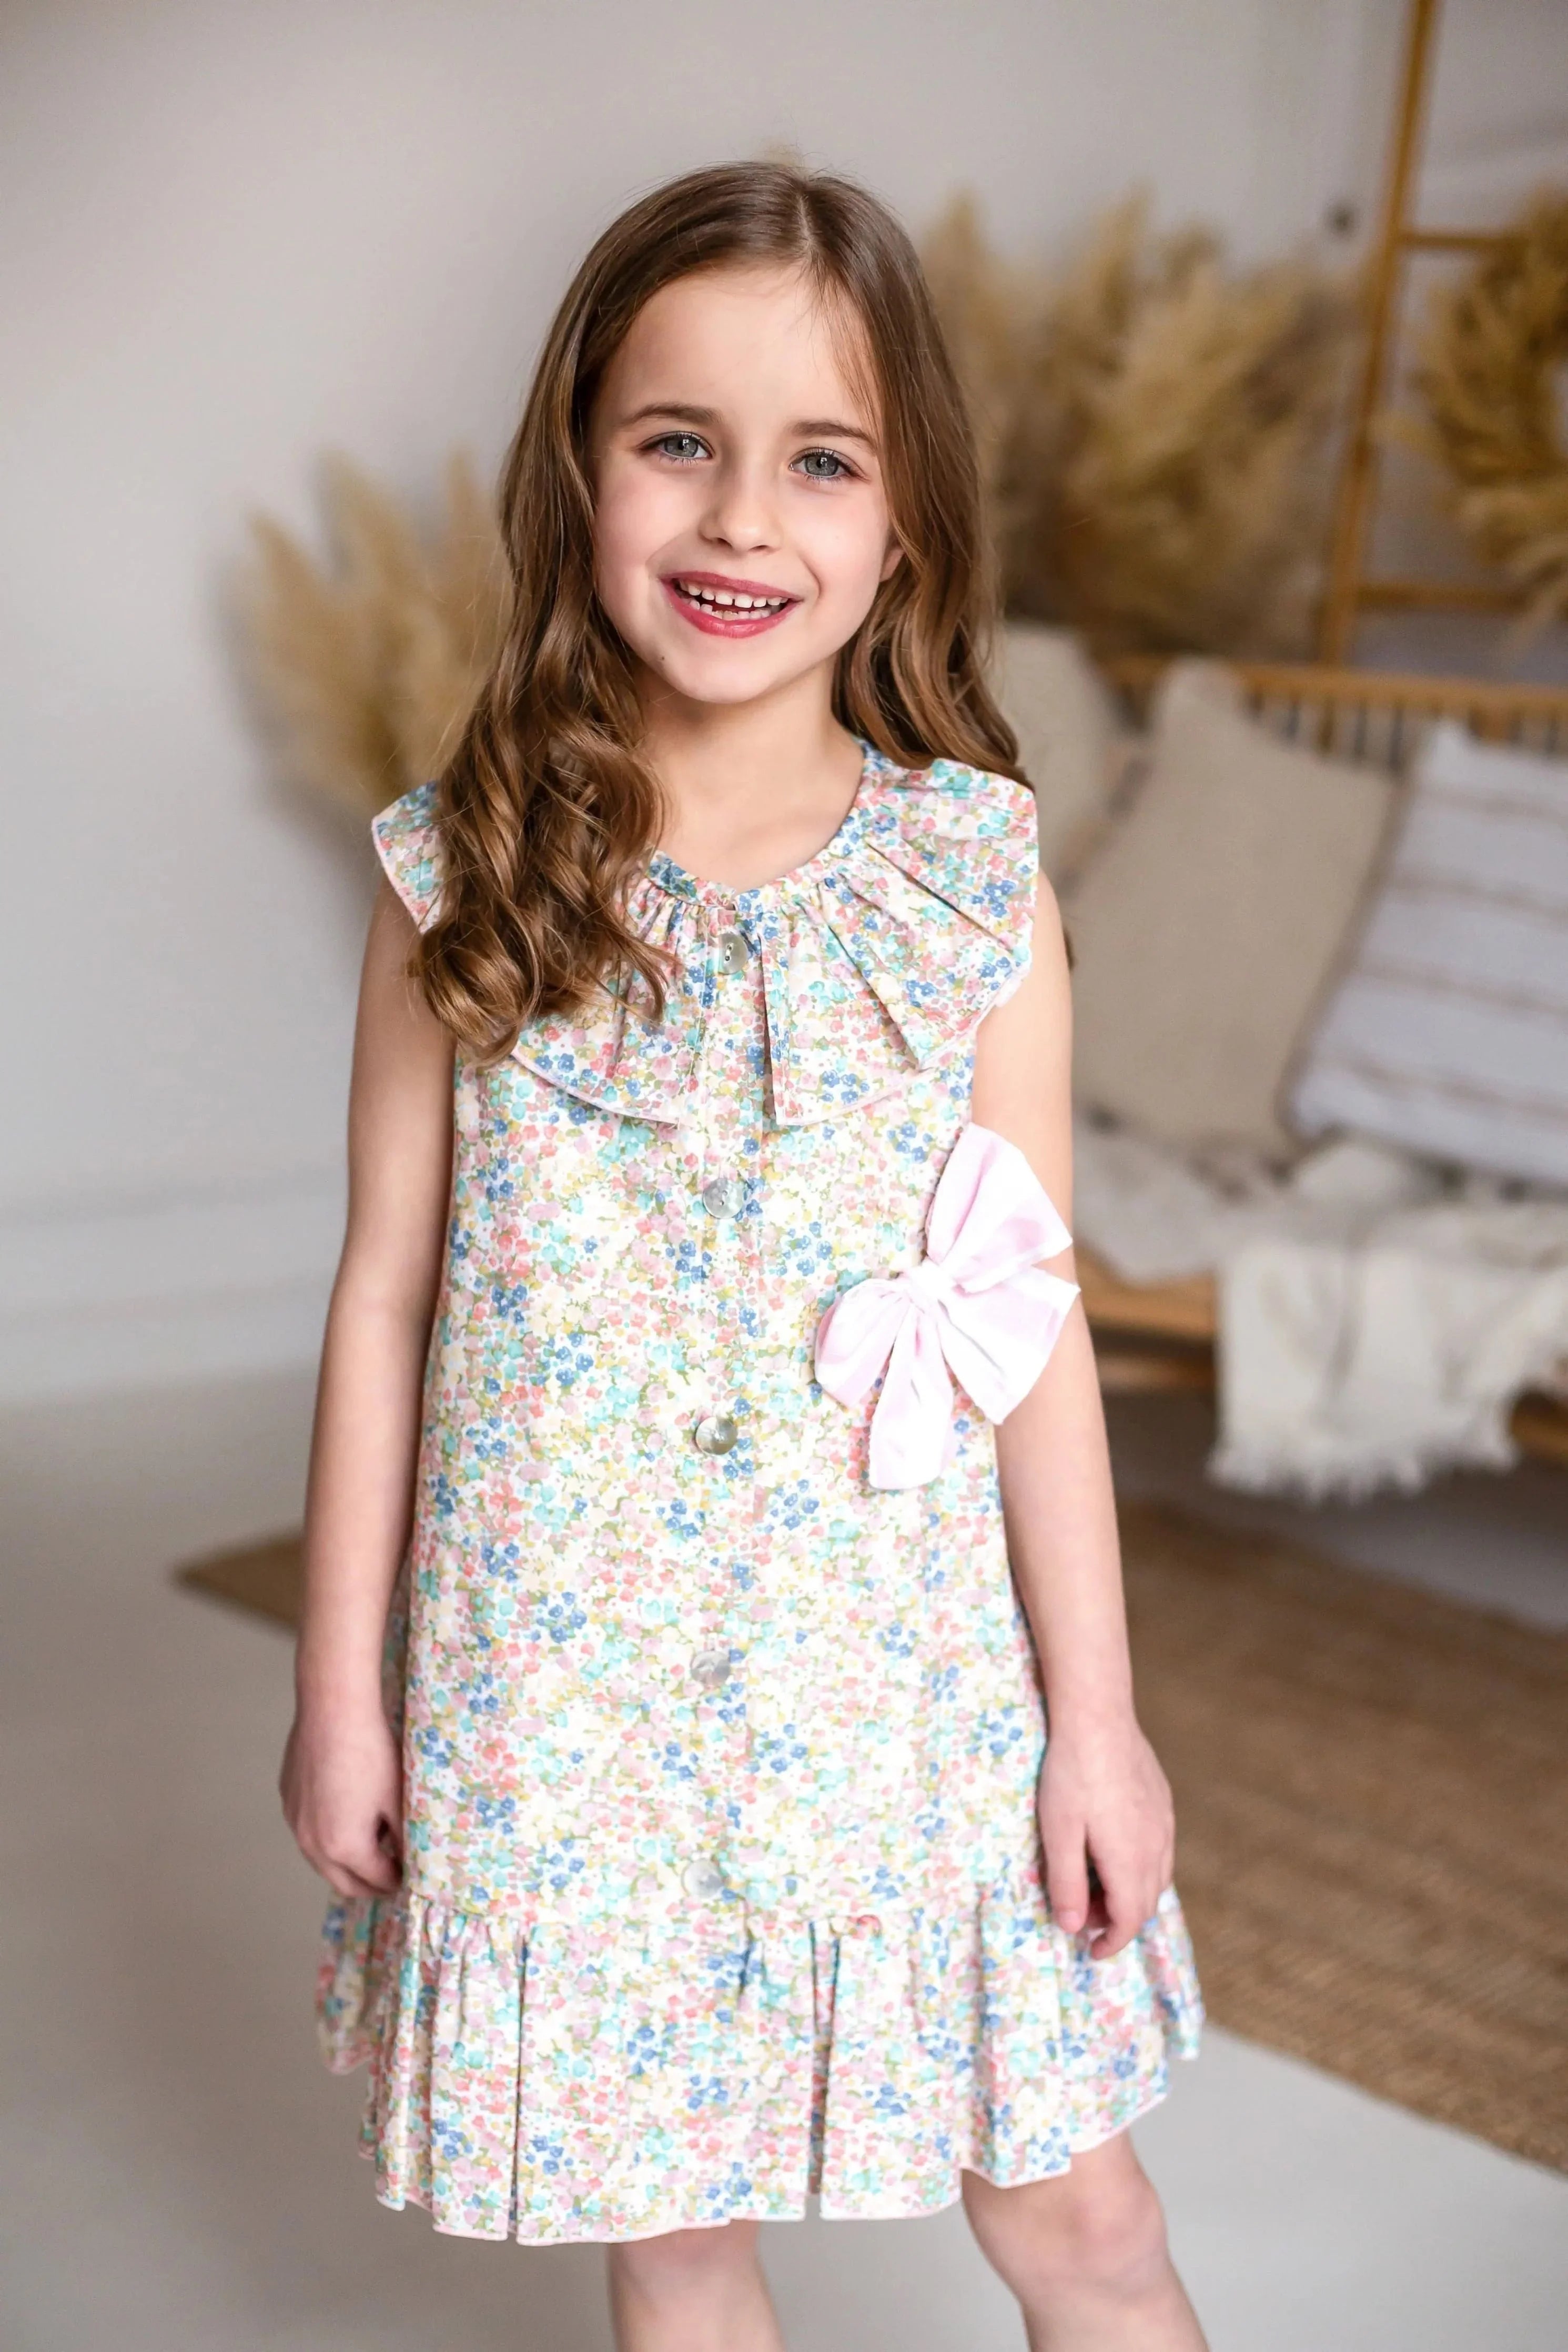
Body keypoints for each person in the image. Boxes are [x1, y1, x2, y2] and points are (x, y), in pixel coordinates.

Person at [281, 160, 1206, 2352]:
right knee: (680, 2254)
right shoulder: (466, 879)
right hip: (559, 1702)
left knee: (1077, 2226)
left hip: (888, 1697)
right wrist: (339, 1688)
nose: (736, 521)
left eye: (819, 459)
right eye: (674, 441)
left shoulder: (965, 884)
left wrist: (1097, 1720)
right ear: (580, 466)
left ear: (904, 523)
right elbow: (384, 1298)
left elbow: (1022, 1321)